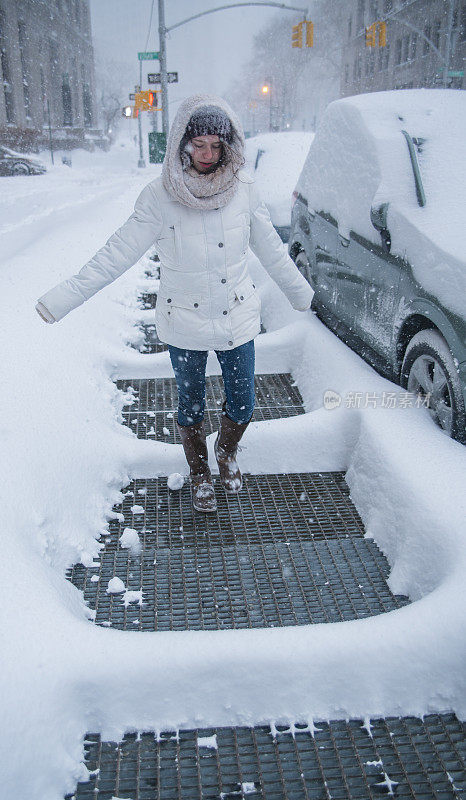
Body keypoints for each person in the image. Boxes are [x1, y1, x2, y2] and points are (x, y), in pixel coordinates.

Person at [36, 94, 312, 513]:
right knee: (191, 403)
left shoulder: (244, 191)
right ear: (183, 144)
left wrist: (302, 294)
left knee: (244, 404)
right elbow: (116, 253)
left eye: (215, 146)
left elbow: (272, 249)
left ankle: (226, 453)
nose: (206, 154)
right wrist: (63, 298)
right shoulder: (159, 196)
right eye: (198, 145)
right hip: (183, 321)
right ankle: (200, 471)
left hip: (237, 316)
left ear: (228, 146)